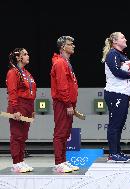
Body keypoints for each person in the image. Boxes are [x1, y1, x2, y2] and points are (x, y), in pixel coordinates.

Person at [102, 32, 130, 163]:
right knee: (115, 124)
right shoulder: (112, 54)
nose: (125, 39)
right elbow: (116, 71)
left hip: (123, 93)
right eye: (123, 37)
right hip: (115, 93)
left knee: (120, 124)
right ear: (115, 41)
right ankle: (113, 154)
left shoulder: (121, 54)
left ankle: (117, 151)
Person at [50, 36, 79, 173]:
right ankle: (58, 162)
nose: (73, 46)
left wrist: (72, 104)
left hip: (67, 103)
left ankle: (63, 160)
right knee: (60, 133)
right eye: (70, 44)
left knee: (65, 133)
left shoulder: (66, 62)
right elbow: (62, 86)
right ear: (62, 47)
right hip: (62, 103)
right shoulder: (60, 63)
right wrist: (68, 104)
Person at [6, 48, 37, 173]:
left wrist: (32, 109)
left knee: (23, 136)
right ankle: (16, 163)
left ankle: (21, 160)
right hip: (18, 106)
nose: (27, 56)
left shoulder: (27, 73)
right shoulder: (13, 72)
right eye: (25, 54)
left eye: (27, 53)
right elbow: (12, 92)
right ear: (18, 58)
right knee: (17, 136)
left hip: (28, 106)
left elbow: (31, 92)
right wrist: (15, 109)